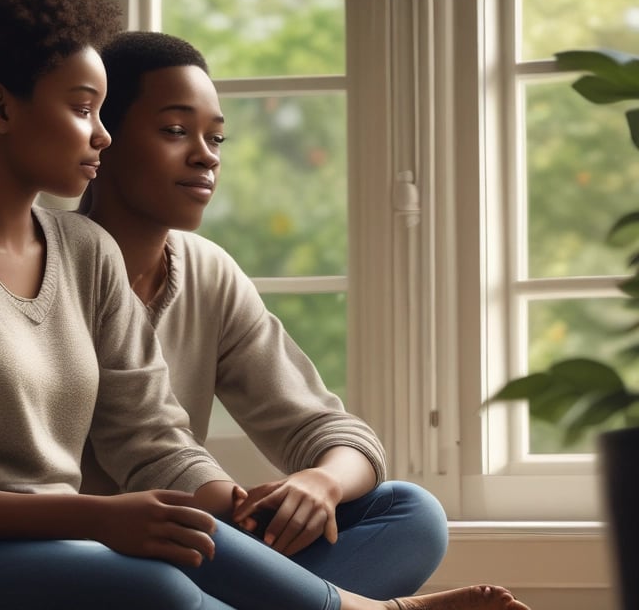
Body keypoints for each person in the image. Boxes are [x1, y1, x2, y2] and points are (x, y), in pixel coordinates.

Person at [0, 0, 529, 608]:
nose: (100, 137)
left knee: (398, 516)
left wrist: (230, 511)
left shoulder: (84, 251)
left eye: (103, 113)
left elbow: (148, 437)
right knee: (157, 587)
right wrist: (101, 518)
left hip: (80, 546)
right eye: (84, 110)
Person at [80, 30, 531, 609]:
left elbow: (326, 428)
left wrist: (320, 482)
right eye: (174, 130)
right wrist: (234, 520)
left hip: (204, 545)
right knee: (164, 583)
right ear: (101, 136)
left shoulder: (208, 272)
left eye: (216, 137)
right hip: (97, 553)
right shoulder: (54, 262)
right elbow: (148, 448)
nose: (206, 155)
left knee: (411, 513)